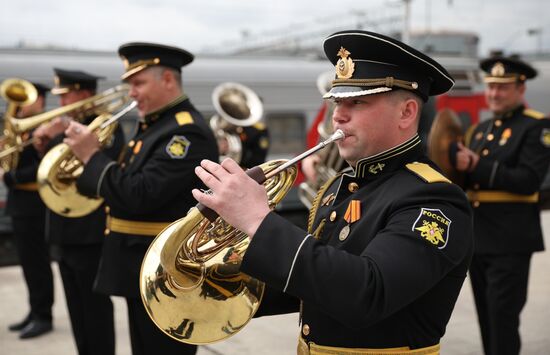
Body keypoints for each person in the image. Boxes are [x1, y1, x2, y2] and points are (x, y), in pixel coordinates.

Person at [192, 29, 474, 354]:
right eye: (337, 101)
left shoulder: (434, 199)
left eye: (357, 102)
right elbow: (316, 281)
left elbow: (367, 294)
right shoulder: (338, 187)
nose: (338, 114)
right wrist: (219, 277)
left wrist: (259, 222)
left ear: (407, 112)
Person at [64, 42, 218, 355]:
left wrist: (91, 155)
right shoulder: (156, 126)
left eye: (138, 83)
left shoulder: (185, 133)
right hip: (141, 266)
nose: (131, 93)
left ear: (168, 80)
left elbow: (139, 195)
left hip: (166, 273)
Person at [453, 54, 550, 355]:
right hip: (479, 239)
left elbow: (529, 181)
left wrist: (476, 164)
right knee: (486, 318)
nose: (494, 93)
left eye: (502, 87)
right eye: (491, 86)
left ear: (520, 89)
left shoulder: (537, 126)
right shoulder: (479, 131)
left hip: (511, 240)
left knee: (502, 319)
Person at [33, 68, 121, 355]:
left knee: (94, 308)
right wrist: (43, 143)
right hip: (62, 228)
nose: (61, 104)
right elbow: (54, 172)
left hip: (89, 231)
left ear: (84, 94)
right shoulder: (66, 128)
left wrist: (64, 132)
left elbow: (102, 170)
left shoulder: (106, 125)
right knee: (75, 307)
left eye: (66, 95)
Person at [3, 83, 54, 339]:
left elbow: (43, 166)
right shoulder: (19, 128)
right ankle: (34, 310)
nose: (22, 105)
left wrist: (11, 177)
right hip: (20, 203)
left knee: (37, 262)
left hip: (34, 203)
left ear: (41, 101)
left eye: (29, 99)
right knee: (27, 262)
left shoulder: (42, 130)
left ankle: (43, 315)